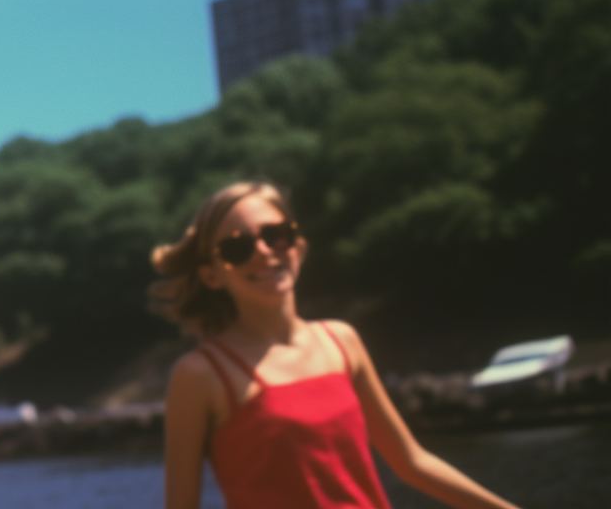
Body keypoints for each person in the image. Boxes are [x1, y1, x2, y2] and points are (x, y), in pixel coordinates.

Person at [153, 181, 521, 509]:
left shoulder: (341, 341)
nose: (264, 251)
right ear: (211, 275)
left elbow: (412, 463)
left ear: (298, 246)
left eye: (277, 234)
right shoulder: (200, 375)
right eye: (238, 247)